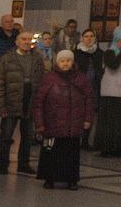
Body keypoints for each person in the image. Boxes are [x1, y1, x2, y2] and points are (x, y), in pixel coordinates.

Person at [34, 49, 94, 189]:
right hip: (52, 124)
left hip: (73, 124)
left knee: (71, 154)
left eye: (68, 61)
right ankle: (50, 178)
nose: (65, 63)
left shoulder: (81, 78)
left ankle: (71, 179)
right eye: (62, 61)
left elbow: (90, 99)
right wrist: (39, 123)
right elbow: (39, 102)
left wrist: (88, 119)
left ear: (72, 62)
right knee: (51, 152)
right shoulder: (49, 78)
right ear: (57, 62)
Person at [0, 29, 44, 175]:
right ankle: (3, 164)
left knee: (27, 135)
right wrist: (1, 105)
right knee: (6, 135)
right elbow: (0, 83)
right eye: (24, 39)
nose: (27, 42)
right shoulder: (7, 59)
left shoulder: (37, 59)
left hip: (30, 100)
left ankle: (24, 163)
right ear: (17, 42)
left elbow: (40, 81)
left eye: (29, 40)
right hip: (11, 100)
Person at [94, 28, 121, 157]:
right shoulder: (109, 52)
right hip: (111, 93)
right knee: (110, 122)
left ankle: (120, 148)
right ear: (117, 40)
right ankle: (106, 148)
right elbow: (113, 66)